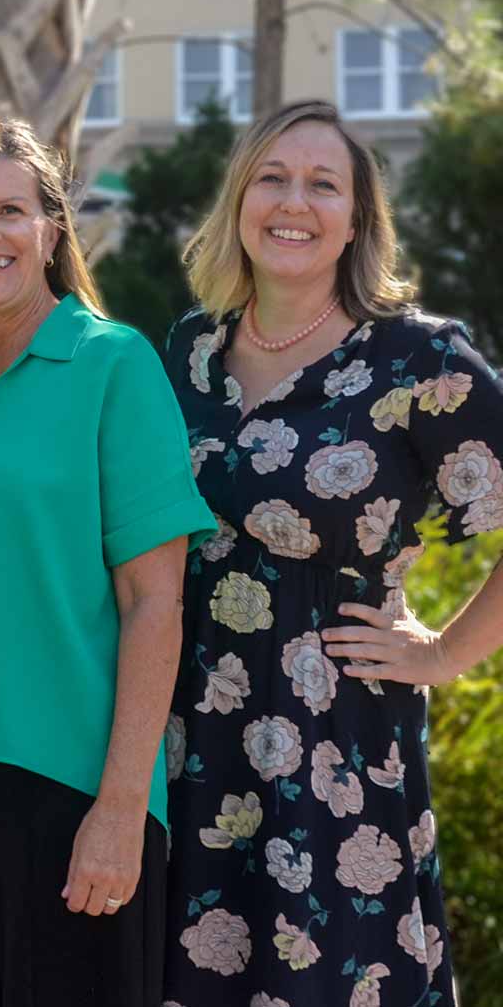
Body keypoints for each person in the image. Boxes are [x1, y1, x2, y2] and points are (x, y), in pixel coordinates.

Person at [162, 99, 503, 1005]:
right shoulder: (188, 352)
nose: (293, 201)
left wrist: (445, 652)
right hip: (189, 738)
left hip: (339, 750)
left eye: (323, 184)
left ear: (357, 219)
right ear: (240, 199)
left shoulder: (417, 360)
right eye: (272, 177)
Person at [0, 114, 216, 1005]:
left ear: (51, 228)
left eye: (10, 210)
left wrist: (119, 807)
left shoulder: (115, 364)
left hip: (75, 792)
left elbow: (156, 601)